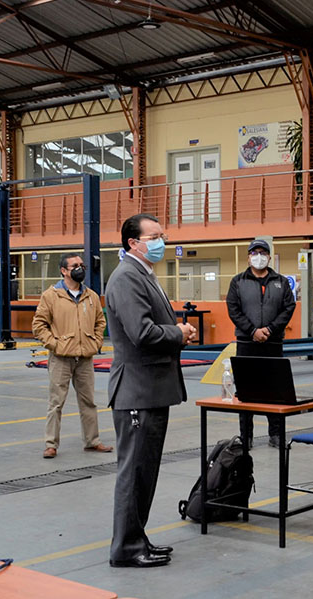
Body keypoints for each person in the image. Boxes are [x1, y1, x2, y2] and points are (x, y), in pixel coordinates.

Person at [106, 213, 195, 568]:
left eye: (162, 234)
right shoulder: (127, 277)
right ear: (133, 243)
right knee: (134, 472)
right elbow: (141, 333)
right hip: (137, 392)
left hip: (151, 390)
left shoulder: (142, 273)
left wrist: (175, 331)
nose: (162, 240)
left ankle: (136, 537)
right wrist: (179, 333)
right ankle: (126, 548)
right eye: (155, 235)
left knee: (145, 472)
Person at [32, 252, 111, 458]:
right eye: (75, 265)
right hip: (60, 358)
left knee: (89, 401)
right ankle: (51, 444)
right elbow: (39, 325)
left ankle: (92, 441)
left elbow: (100, 322)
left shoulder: (91, 296)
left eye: (82, 265)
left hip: (85, 358)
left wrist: (95, 342)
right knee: (56, 403)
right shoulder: (51, 296)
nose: (80, 268)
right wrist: (55, 345)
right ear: (63, 271)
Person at [225, 238, 295, 448]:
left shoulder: (280, 282)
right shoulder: (238, 282)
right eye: (254, 253)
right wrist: (252, 331)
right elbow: (233, 309)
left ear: (269, 256)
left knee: (275, 390)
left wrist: (271, 329)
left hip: (273, 344)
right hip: (246, 343)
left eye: (262, 253)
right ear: (248, 257)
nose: (258, 257)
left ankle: (276, 435)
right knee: (246, 391)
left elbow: (288, 308)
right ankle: (246, 437)